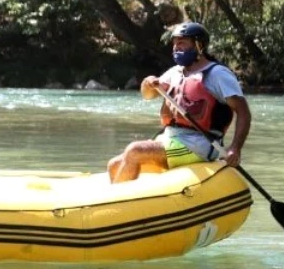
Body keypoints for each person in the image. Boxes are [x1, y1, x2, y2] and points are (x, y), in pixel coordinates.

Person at [108, 22, 251, 184]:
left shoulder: (217, 75)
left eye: (182, 43)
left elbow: (243, 112)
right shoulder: (175, 72)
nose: (176, 47)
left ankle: (123, 206)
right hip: (169, 138)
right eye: (175, 43)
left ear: (199, 45)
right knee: (113, 165)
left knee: (134, 151)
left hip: (197, 144)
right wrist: (147, 84)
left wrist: (235, 148)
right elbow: (148, 95)